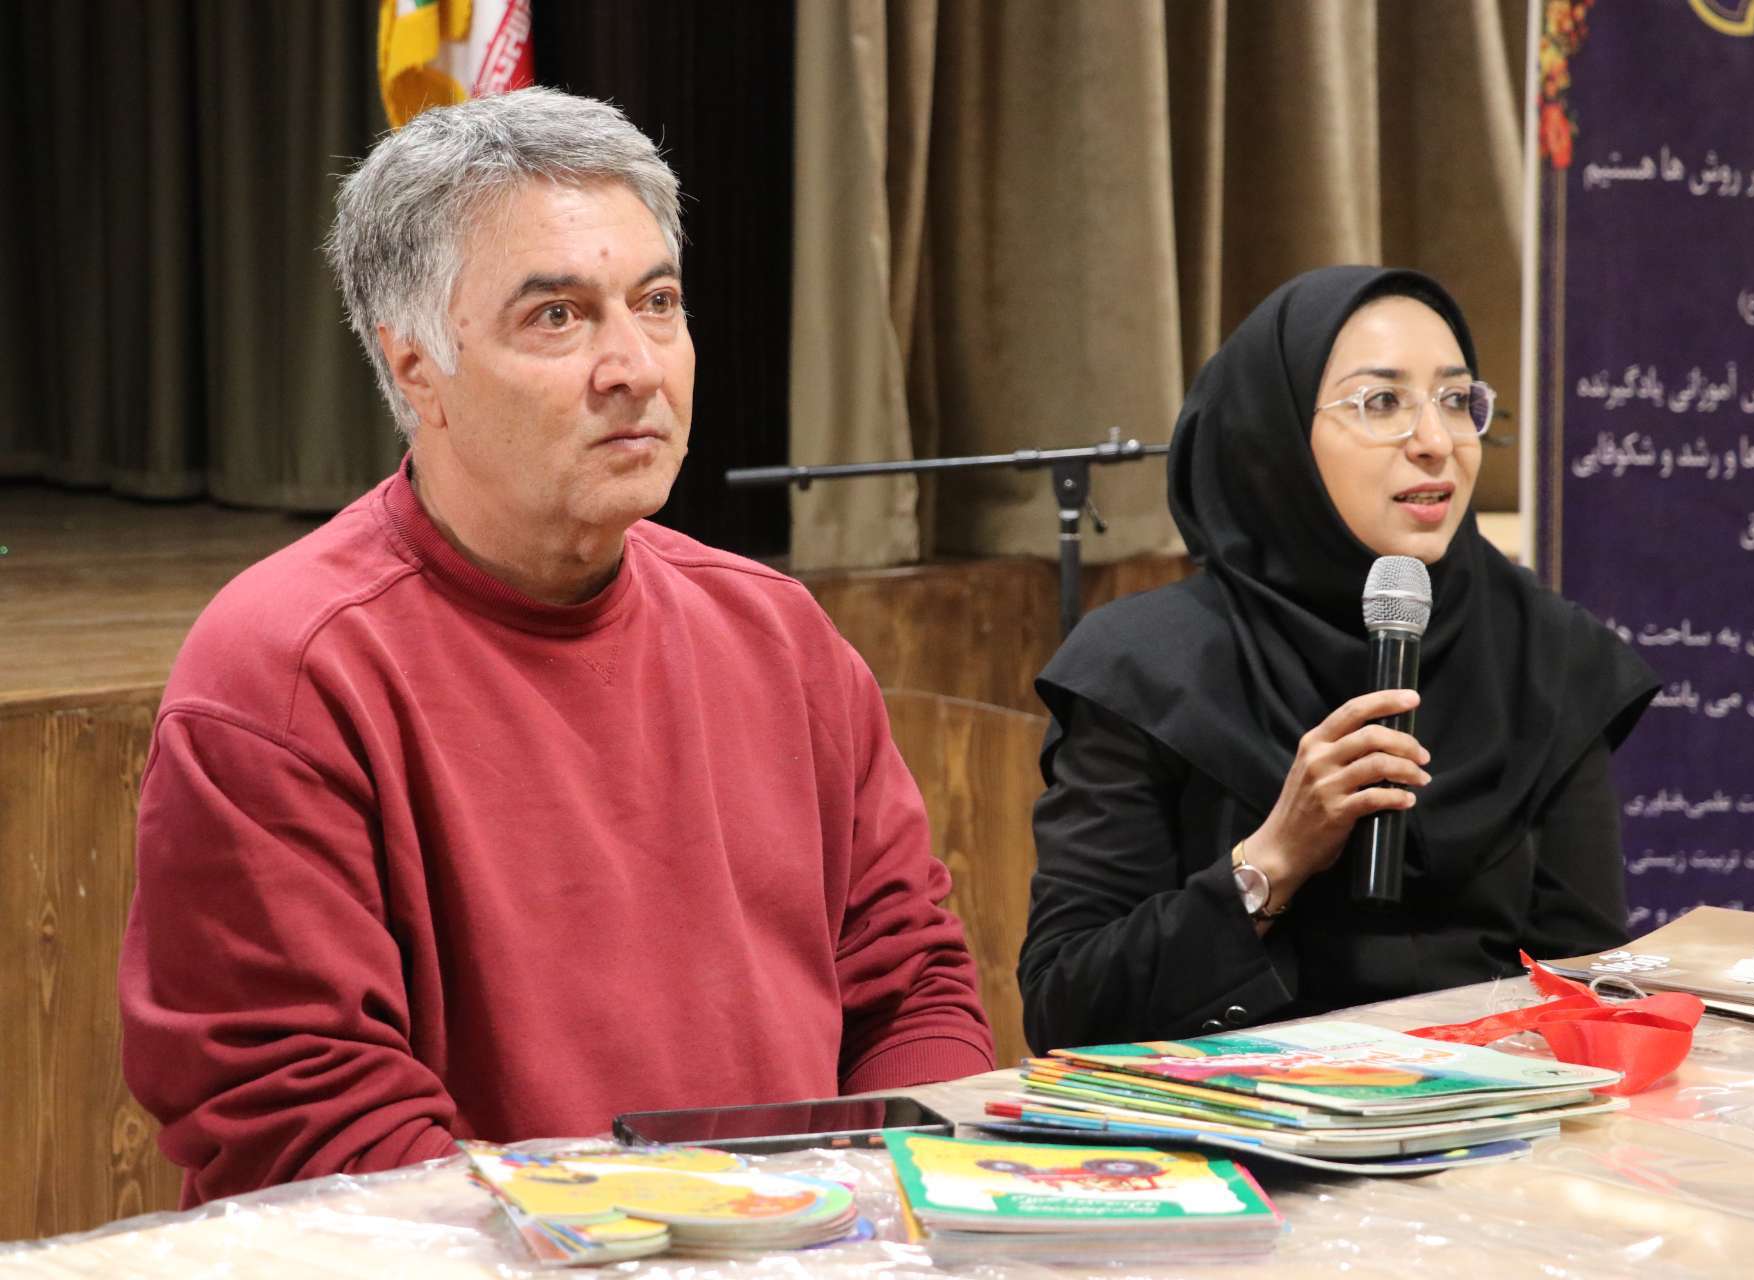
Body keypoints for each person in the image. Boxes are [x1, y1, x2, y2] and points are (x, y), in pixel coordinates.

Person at [118, 88, 993, 1208]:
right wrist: (673, 1244)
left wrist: (883, 1214)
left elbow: (910, 991)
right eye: (558, 317)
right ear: (415, 366)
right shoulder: (284, 671)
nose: (635, 365)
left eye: (658, 303)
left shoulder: (777, 632)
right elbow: (312, 1118)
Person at [1018, 266, 1658, 1053]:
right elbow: (1065, 1009)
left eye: (1456, 399)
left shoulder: (1547, 655)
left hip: (1493, 1109)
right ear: (1276, 435)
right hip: (1233, 1113)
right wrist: (1271, 861)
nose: (1436, 442)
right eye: (1381, 402)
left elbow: (1582, 986)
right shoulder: (1143, 669)